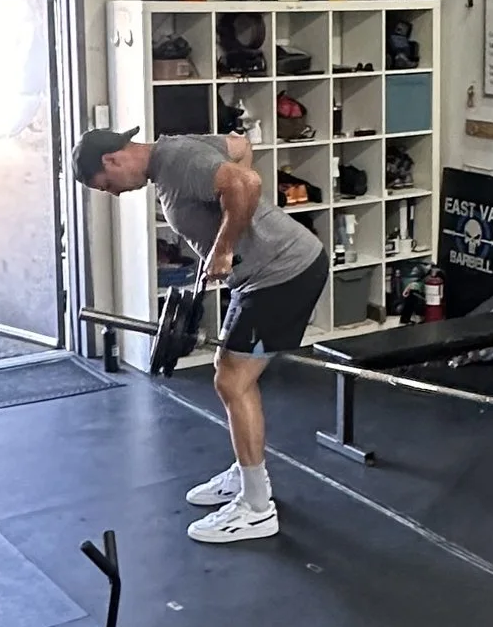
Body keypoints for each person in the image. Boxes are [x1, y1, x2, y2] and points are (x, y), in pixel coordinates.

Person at [75, 123, 326, 545]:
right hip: (265, 275)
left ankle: (257, 507)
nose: (114, 194)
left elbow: (245, 180)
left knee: (232, 379)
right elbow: (240, 146)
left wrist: (227, 244)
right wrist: (237, 225)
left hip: (283, 273)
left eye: (106, 186)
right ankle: (246, 472)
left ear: (112, 160)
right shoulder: (174, 152)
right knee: (230, 375)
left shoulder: (177, 162)